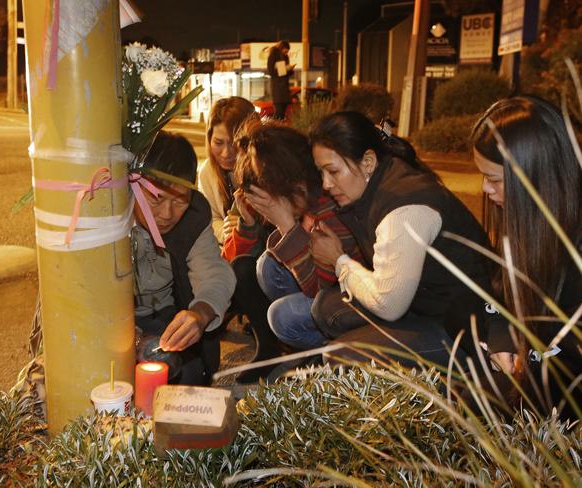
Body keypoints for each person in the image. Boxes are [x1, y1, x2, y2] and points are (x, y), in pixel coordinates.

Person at [307, 111, 490, 368]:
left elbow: (389, 303)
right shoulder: (380, 182)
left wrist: (339, 260)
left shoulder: (403, 209)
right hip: (423, 304)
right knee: (326, 308)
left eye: (333, 171)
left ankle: (448, 379)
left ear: (368, 162)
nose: (326, 184)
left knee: (342, 356)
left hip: (463, 327)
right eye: (321, 173)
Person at [466, 96, 581, 416]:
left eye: (495, 180)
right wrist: (503, 341)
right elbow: (502, 295)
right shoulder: (524, 224)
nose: (486, 191)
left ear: (535, 178)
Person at [230, 119, 362, 375]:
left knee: (283, 316)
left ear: (292, 185)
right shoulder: (308, 200)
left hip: (352, 299)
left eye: (266, 201)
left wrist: (286, 224)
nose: (265, 212)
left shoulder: (329, 209)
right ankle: (298, 349)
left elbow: (322, 292)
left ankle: (325, 354)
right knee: (267, 266)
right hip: (332, 288)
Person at [132, 131, 236, 386]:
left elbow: (215, 273)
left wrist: (199, 314)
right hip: (110, 322)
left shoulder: (193, 217)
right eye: (156, 199)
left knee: (187, 378)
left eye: (180, 201)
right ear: (133, 184)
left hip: (165, 317)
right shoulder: (105, 216)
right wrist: (132, 339)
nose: (167, 214)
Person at [198, 96, 258, 244]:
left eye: (233, 144)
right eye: (218, 143)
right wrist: (224, 231)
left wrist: (249, 225)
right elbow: (209, 219)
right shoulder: (207, 171)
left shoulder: (265, 170)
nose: (226, 153)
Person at [267, 41, 295, 120]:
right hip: (277, 88)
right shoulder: (273, 56)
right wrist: (284, 70)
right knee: (279, 111)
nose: (286, 53)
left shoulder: (286, 57)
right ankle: (275, 128)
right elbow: (271, 71)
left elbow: (286, 72)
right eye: (285, 51)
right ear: (281, 49)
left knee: (283, 111)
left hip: (285, 87)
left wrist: (290, 69)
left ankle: (279, 127)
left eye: (287, 52)